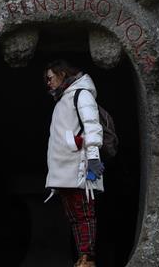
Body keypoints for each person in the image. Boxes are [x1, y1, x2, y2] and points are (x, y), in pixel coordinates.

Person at [44, 58, 104, 267]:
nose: (48, 83)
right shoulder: (63, 99)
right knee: (74, 216)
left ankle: (88, 259)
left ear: (62, 74)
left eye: (50, 78)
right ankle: (82, 257)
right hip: (65, 170)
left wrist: (94, 160)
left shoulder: (81, 94)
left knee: (84, 214)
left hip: (80, 167)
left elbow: (92, 126)